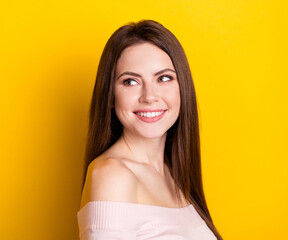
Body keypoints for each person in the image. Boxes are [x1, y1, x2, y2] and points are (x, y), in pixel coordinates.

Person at [77, 20, 222, 240]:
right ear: (110, 96)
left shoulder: (173, 173)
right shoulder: (112, 175)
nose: (149, 96)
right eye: (130, 82)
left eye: (164, 78)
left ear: (182, 87)